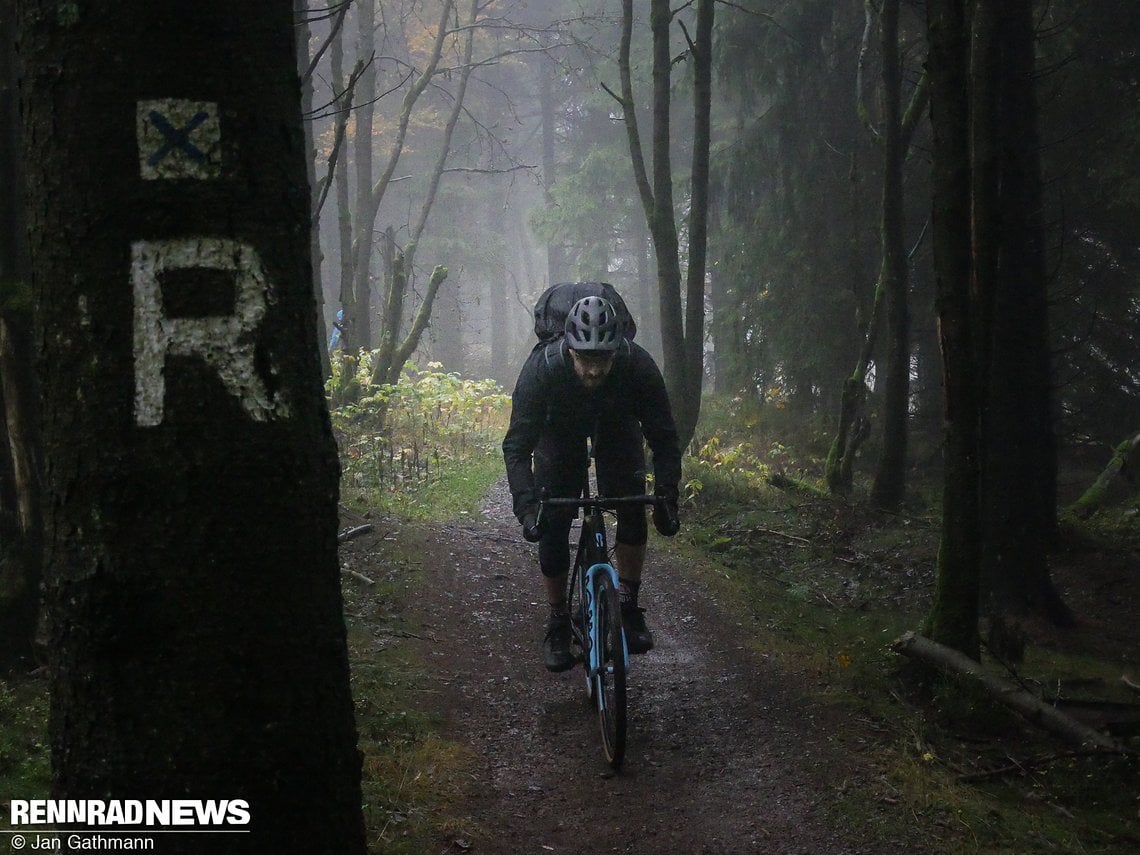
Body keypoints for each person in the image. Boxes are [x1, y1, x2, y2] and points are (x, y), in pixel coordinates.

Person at [502, 292, 681, 672]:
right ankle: (558, 619)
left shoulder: (637, 367)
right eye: (585, 359)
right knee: (552, 523)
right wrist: (528, 507)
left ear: (618, 349)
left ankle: (628, 605)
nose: (595, 371)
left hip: (617, 425)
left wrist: (667, 496)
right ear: (569, 350)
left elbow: (664, 438)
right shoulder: (543, 369)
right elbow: (517, 446)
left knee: (632, 504)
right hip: (559, 431)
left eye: (603, 359)